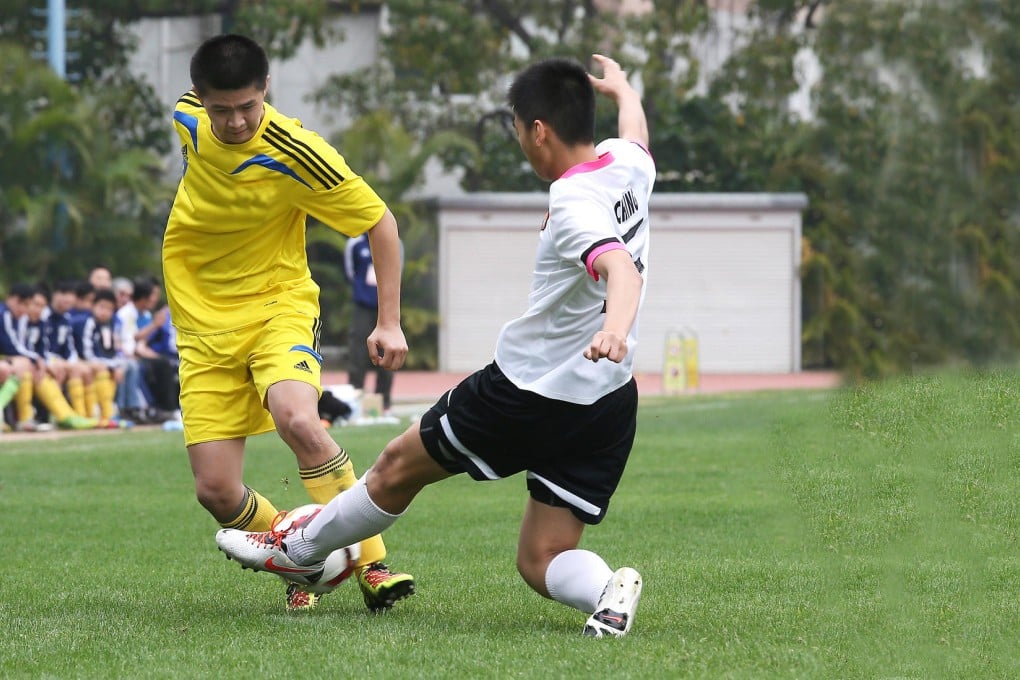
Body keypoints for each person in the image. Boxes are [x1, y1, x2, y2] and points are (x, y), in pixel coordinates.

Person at [217, 54, 654, 637]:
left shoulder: (574, 201)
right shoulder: (628, 165)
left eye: (517, 129)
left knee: (398, 467)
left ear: (538, 130)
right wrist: (625, 92)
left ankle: (297, 550)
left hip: (528, 391)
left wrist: (614, 329)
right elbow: (636, 136)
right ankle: (608, 593)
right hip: (606, 401)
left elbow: (620, 269)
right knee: (541, 557)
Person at [164, 34, 413, 612]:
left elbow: (381, 223)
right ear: (199, 97)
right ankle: (298, 556)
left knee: (298, 418)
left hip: (278, 306)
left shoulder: (298, 151)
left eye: (248, 106)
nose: (235, 122)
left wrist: (390, 322)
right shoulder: (187, 117)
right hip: (200, 326)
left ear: (266, 89)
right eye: (222, 109)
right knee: (215, 490)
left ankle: (371, 563)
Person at [344, 232, 401, 413]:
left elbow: (397, 271)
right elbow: (350, 272)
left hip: (386, 307)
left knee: (388, 351)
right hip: (363, 306)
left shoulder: (394, 241)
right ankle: (353, 403)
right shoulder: (354, 243)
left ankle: (384, 403)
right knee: (358, 353)